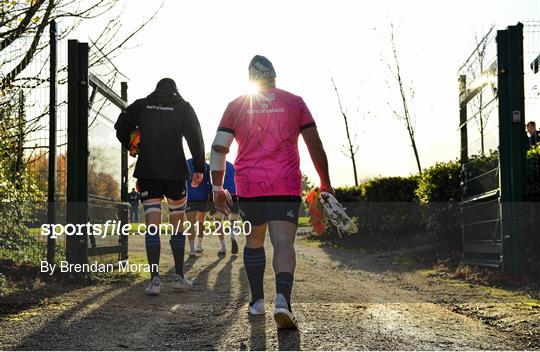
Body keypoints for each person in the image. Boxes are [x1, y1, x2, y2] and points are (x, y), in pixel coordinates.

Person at [209, 55, 334, 330]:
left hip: (250, 184)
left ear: (250, 79)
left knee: (253, 240)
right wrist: (325, 182)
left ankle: (256, 303)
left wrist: (217, 188)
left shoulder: (237, 105)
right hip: (285, 183)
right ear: (275, 76)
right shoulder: (295, 102)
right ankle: (283, 301)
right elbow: (315, 143)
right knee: (283, 244)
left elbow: (219, 148)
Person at [114, 78, 205, 296]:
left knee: (152, 226)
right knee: (177, 225)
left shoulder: (143, 104)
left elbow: (120, 126)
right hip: (175, 172)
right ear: (175, 90)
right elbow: (195, 137)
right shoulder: (183, 107)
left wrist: (132, 144)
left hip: (148, 171)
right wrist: (199, 167)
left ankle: (154, 280)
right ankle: (180, 276)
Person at [209, 160, 240, 255]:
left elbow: (213, 183)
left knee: (218, 220)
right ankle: (233, 236)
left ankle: (223, 247)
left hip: (222, 194)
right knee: (233, 220)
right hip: (235, 194)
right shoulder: (232, 166)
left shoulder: (215, 165)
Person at [185, 157, 211, 257]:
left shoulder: (186, 163)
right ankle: (199, 246)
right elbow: (210, 183)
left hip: (190, 197)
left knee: (191, 224)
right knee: (201, 222)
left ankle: (192, 250)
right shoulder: (206, 165)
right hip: (202, 198)